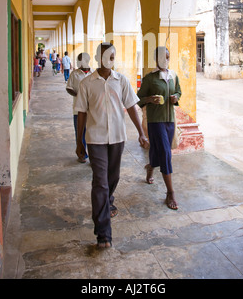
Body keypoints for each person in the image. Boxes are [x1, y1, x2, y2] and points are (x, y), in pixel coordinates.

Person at [74, 42, 149, 248]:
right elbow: (81, 113)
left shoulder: (121, 80)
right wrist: (79, 142)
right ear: (99, 57)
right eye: (107, 55)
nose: (111, 59)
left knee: (112, 178)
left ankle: (106, 202)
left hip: (117, 137)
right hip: (96, 139)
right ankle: (103, 233)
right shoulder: (87, 83)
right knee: (101, 182)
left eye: (113, 56)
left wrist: (141, 133)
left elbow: (132, 106)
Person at [137, 46, 182, 210]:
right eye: (162, 58)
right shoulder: (150, 78)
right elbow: (139, 98)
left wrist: (175, 97)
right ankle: (170, 192)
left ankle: (150, 167)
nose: (165, 60)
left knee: (160, 149)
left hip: (170, 120)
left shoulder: (173, 76)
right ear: (156, 59)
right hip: (155, 121)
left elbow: (179, 92)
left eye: (168, 57)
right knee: (165, 152)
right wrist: (150, 99)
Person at [66, 52, 92, 163]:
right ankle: (82, 154)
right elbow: (68, 88)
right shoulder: (74, 74)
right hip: (78, 109)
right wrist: (78, 94)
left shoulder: (93, 74)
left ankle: (93, 156)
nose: (79, 62)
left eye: (81, 60)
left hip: (92, 110)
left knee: (91, 133)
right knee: (80, 132)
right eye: (78, 60)